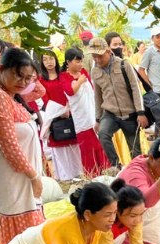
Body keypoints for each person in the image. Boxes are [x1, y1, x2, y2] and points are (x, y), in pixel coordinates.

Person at [0, 48, 46, 244]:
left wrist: (30, 72)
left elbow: (39, 91)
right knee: (22, 239)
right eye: (18, 75)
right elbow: (9, 146)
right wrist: (33, 177)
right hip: (13, 176)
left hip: (22, 174)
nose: (23, 83)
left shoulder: (9, 93)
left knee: (31, 234)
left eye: (27, 78)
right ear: (0, 69)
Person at [88, 37, 148, 168]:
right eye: (94, 56)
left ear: (108, 51)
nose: (97, 60)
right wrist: (98, 119)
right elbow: (97, 96)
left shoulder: (124, 65)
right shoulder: (95, 71)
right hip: (110, 113)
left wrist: (140, 112)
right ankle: (116, 167)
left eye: (100, 56)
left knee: (135, 151)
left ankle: (137, 171)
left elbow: (136, 88)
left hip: (129, 113)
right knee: (103, 134)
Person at [60, 48, 110, 177]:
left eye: (81, 61)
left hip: (93, 114)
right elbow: (70, 91)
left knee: (100, 145)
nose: (80, 64)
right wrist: (80, 81)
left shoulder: (83, 72)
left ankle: (106, 172)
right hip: (81, 118)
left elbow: (93, 91)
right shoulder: (64, 76)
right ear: (68, 62)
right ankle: (92, 175)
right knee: (88, 148)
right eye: (77, 61)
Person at [39, 51, 82, 182]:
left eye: (51, 58)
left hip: (71, 113)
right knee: (59, 145)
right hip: (54, 116)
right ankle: (65, 176)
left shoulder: (63, 75)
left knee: (74, 142)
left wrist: (68, 108)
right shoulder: (41, 80)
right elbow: (45, 99)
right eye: (45, 59)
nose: (49, 62)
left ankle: (78, 173)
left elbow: (71, 91)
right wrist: (59, 111)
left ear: (56, 60)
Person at [97, 179, 146, 244]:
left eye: (141, 214)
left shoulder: (135, 220)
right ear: (117, 211)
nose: (138, 220)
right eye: (133, 216)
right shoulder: (105, 226)